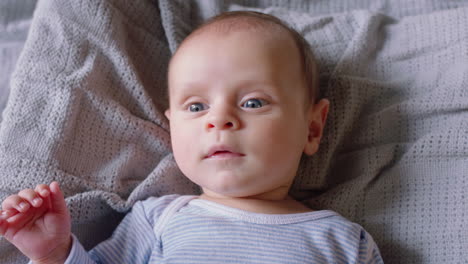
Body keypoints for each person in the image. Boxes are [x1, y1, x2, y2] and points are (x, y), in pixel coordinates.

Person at [0, 11, 383, 263]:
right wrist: (54, 252)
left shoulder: (343, 240)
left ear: (312, 128)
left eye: (252, 102)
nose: (220, 120)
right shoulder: (159, 219)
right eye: (197, 108)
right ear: (172, 127)